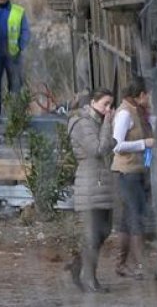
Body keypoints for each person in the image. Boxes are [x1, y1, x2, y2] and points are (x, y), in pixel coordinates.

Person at [66, 89, 116, 292]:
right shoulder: (83, 123)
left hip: (101, 182)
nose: (108, 109)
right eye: (105, 104)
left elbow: (109, 144)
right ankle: (90, 279)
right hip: (90, 184)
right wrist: (107, 125)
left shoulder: (95, 122)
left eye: (111, 105)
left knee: (102, 232)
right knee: (94, 234)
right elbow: (97, 149)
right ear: (93, 102)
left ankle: (77, 267)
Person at [110, 78, 155, 280]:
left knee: (128, 220)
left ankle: (122, 264)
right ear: (141, 94)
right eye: (149, 94)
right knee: (135, 218)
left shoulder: (138, 112)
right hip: (126, 172)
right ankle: (140, 265)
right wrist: (143, 143)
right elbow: (117, 145)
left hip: (136, 171)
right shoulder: (125, 113)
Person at [0, 0, 30, 110]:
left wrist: (20, 46)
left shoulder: (18, 11)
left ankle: (15, 116)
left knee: (15, 86)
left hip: (13, 55)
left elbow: (25, 31)